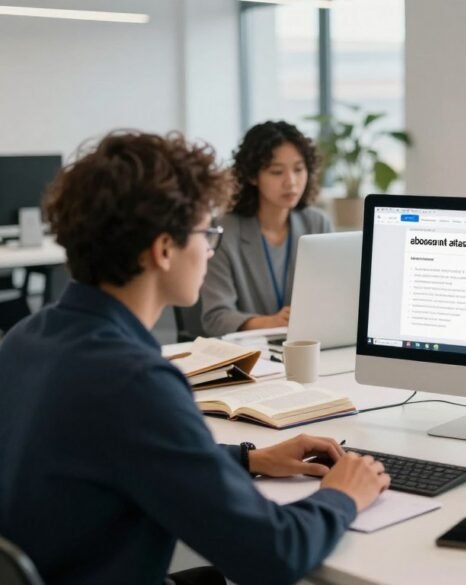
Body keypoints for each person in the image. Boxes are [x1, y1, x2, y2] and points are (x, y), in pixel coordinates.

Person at [0, 131, 389, 585]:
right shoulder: (135, 381)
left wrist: (250, 459)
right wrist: (343, 495)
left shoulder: (27, 338)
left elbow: (119, 451)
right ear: (164, 249)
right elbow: (274, 554)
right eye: (207, 233)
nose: (209, 249)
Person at [201, 120, 335, 337]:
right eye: (276, 172)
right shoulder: (223, 231)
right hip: (249, 356)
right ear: (253, 176)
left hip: (311, 347)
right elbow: (216, 318)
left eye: (299, 169)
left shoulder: (318, 224)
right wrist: (270, 322)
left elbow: (335, 300)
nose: (291, 182)